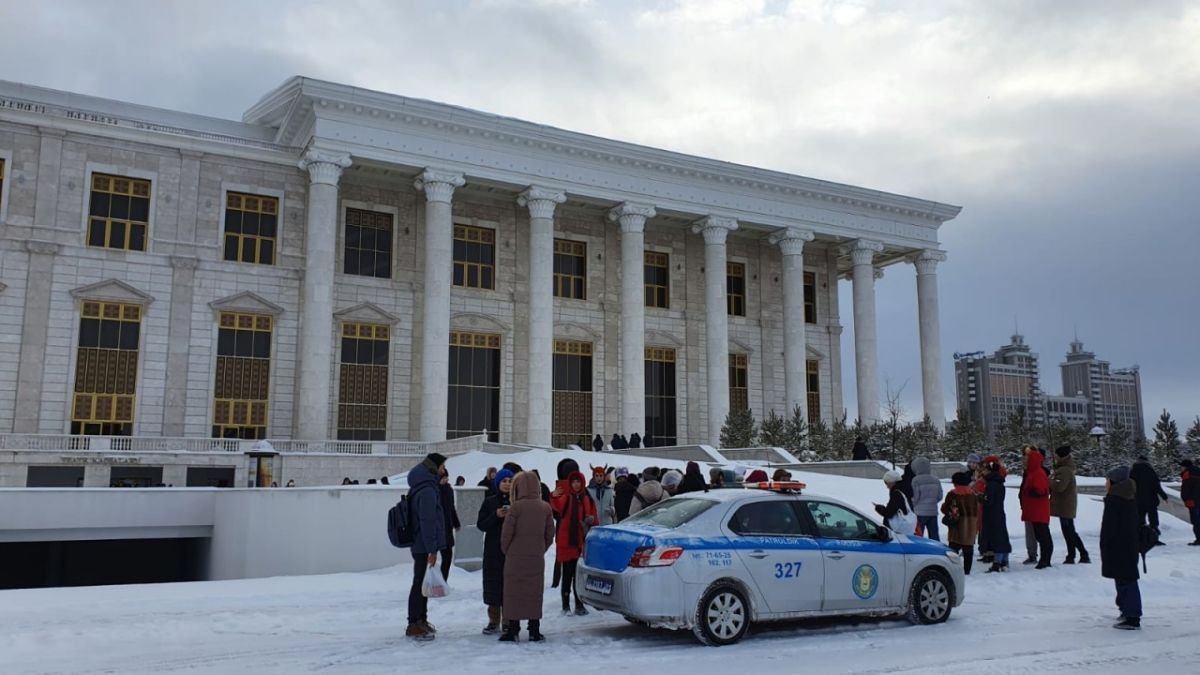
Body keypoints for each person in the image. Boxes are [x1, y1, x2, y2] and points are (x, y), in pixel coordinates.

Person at [500, 471, 555, 642]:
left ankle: (513, 629)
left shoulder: (515, 507)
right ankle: (534, 630)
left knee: (513, 593)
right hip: (536, 557)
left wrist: (509, 551)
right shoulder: (545, 507)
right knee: (534, 592)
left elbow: (506, 535)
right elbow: (550, 535)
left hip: (515, 558)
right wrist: (540, 549)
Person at [405, 452, 448, 642]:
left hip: (420, 542)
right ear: (435, 467)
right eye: (442, 466)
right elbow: (428, 521)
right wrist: (432, 549)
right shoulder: (428, 490)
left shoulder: (421, 485)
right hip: (423, 545)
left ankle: (421, 619)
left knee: (422, 583)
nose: (444, 470)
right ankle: (414, 623)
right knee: (419, 584)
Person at [550, 470, 598, 616]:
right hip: (567, 543)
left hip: (581, 543)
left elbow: (595, 519)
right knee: (567, 575)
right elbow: (556, 506)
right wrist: (553, 495)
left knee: (579, 576)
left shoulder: (587, 499)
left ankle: (579, 604)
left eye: (578, 482)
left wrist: (591, 520)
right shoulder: (566, 498)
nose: (576, 485)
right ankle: (565, 605)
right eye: (573, 482)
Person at [1101, 465, 1142, 630]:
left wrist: (1106, 544)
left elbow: (1110, 527)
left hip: (1119, 546)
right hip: (1128, 545)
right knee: (1124, 578)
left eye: (1107, 481)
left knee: (1126, 580)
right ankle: (1127, 611)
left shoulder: (1115, 500)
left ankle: (1132, 616)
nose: (1105, 484)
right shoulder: (1127, 497)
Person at [477, 468, 514, 635]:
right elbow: (481, 524)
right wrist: (496, 515)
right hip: (493, 550)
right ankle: (493, 620)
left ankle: (508, 620)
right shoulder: (490, 501)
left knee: (509, 585)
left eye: (509, 481)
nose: (507, 484)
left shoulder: (517, 502)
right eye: (504, 481)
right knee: (493, 585)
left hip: (511, 550)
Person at [1051, 446, 1090, 564]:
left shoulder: (1065, 470)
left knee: (1069, 532)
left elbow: (1060, 487)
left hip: (1065, 506)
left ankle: (1079, 554)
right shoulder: (1064, 469)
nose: (1055, 457)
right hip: (1066, 505)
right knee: (1069, 531)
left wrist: (1049, 481)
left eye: (1057, 455)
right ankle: (1073, 555)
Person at [1020, 445, 1054, 569]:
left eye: (1026, 457)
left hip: (1038, 510)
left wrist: (1028, 492)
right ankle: (1044, 559)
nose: (1024, 459)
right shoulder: (1032, 472)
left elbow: (1041, 491)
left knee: (1043, 535)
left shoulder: (1038, 473)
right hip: (1034, 509)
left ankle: (1045, 559)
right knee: (1040, 535)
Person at [941, 471, 980, 574]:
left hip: (957, 525)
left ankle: (953, 570)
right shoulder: (973, 494)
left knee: (953, 549)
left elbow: (945, 508)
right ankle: (967, 570)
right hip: (971, 524)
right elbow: (977, 508)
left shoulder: (952, 494)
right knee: (968, 548)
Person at [981, 459, 1012, 572]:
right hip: (998, 512)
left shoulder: (992, 484)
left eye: (984, 469)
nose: (982, 472)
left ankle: (998, 561)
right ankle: (1004, 559)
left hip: (992, 514)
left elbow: (989, 500)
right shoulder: (998, 482)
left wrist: (981, 498)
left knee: (996, 537)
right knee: (1001, 535)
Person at [1130, 455, 1169, 536]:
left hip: (1137, 499)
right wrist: (1163, 496)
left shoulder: (1133, 471)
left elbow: (1130, 485)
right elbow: (1156, 486)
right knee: (1153, 517)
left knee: (1140, 517)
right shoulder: (1150, 471)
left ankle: (1140, 534)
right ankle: (1153, 534)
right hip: (1151, 499)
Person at [911, 457, 944, 541]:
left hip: (919, 512)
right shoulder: (936, 480)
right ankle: (937, 552)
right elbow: (940, 496)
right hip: (933, 512)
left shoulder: (915, 480)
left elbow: (916, 497)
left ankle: (918, 552)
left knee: (918, 536)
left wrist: (913, 504)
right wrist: (933, 502)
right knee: (934, 536)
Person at [437, 466, 461, 581]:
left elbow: (451, 508)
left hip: (447, 528)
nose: (446, 480)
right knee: (432, 558)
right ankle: (432, 582)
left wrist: (456, 522)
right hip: (437, 529)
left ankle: (443, 581)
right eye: (443, 478)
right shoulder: (434, 491)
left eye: (447, 478)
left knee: (447, 557)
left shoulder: (449, 490)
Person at [1181, 459, 1200, 545]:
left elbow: (1186, 488)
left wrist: (1185, 498)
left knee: (1196, 521)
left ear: (1185, 466)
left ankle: (1199, 539)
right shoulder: (1198, 471)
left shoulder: (1187, 474)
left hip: (1193, 500)